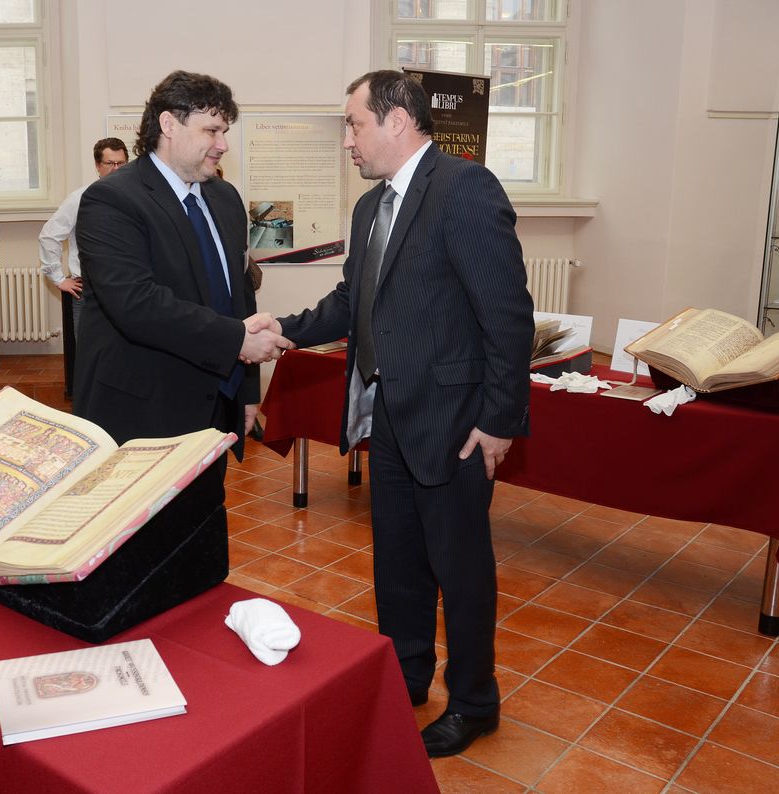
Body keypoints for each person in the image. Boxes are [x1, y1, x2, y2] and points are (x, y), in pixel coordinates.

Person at [270, 70, 534, 757]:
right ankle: (407, 677)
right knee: (398, 563)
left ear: (396, 120)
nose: (347, 142)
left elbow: (507, 313)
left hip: (455, 423)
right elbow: (352, 301)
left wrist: (500, 419)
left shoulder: (465, 189)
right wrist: (283, 330)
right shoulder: (371, 208)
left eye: (354, 124)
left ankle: (474, 701)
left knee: (459, 567)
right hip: (387, 415)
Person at [73, 70, 287, 466]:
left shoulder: (225, 198)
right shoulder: (111, 200)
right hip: (144, 411)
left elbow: (240, 295)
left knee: (208, 505)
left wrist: (246, 391)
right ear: (169, 124)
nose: (223, 144)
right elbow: (137, 304)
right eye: (211, 131)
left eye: (225, 132)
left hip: (216, 405)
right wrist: (236, 341)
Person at [38, 136, 128, 342]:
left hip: (126, 288)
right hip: (89, 292)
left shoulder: (136, 197)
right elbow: (49, 235)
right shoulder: (80, 198)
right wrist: (58, 278)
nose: (116, 169)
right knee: (90, 351)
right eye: (110, 163)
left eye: (121, 163)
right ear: (98, 165)